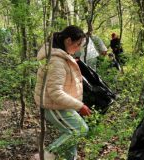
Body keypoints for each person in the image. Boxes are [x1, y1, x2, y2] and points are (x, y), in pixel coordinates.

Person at [34, 25, 91, 160]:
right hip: (53, 104)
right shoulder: (56, 60)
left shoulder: (59, 55)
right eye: (77, 44)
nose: (78, 49)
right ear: (68, 40)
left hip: (59, 103)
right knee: (79, 130)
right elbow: (55, 92)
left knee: (70, 132)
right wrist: (80, 106)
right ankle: (43, 156)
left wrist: (69, 63)